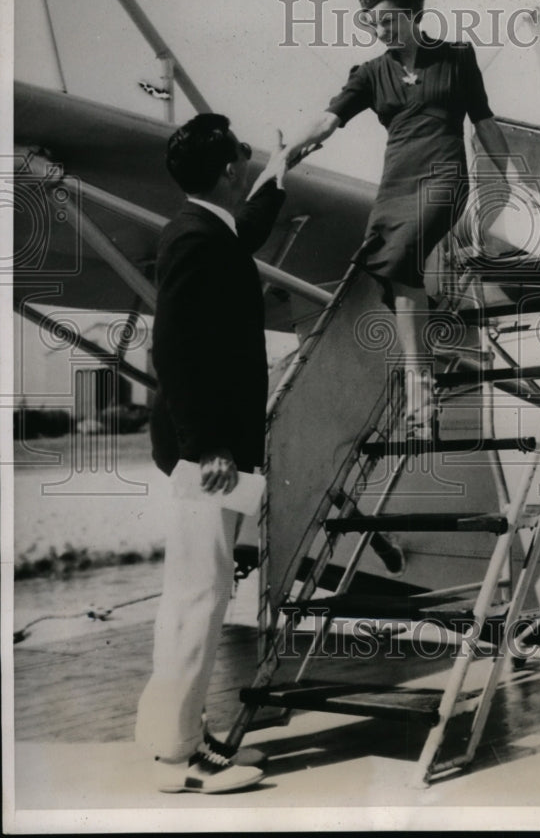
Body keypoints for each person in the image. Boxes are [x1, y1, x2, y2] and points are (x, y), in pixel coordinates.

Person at [280, 0, 511, 437]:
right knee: (394, 263)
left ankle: (420, 377)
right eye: (375, 23)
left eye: (389, 20)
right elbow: (327, 121)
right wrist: (288, 151)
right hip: (397, 181)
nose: (382, 30)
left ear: (413, 14)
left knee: (404, 251)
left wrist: (511, 176)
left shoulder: (456, 58)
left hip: (444, 175)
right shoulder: (368, 74)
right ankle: (423, 370)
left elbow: (484, 122)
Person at [135, 113, 287, 794]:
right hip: (210, 455)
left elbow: (246, 230)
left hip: (217, 452)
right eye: (245, 164)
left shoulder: (208, 231)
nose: (246, 171)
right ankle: (179, 761)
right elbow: (172, 349)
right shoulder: (194, 239)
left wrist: (284, 170)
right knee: (199, 596)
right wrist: (209, 448)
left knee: (201, 591)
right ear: (228, 171)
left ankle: (176, 737)